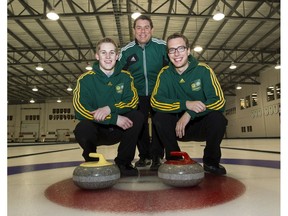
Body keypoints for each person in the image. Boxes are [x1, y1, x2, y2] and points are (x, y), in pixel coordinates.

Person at [150, 33, 228, 175]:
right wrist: (186, 104)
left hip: (199, 126)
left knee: (218, 118)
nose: (176, 54)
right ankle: (175, 157)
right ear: (168, 54)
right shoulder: (165, 73)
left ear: (188, 50)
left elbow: (219, 101)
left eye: (180, 48)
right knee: (159, 117)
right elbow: (155, 101)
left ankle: (211, 161)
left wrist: (190, 113)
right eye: (172, 50)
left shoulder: (203, 70)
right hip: (177, 129)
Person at [73, 37, 144, 177]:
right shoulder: (85, 79)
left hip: (120, 129)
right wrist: (113, 118)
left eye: (112, 53)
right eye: (104, 52)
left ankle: (124, 163)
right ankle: (92, 160)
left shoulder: (126, 77)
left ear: (117, 56)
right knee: (82, 128)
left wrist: (109, 108)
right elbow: (80, 109)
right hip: (97, 128)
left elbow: (133, 101)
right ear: (97, 56)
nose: (108, 56)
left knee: (137, 116)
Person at [118, 15, 169, 170]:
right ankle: (144, 156)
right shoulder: (126, 51)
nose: (142, 31)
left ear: (152, 29)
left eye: (146, 27)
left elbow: (178, 62)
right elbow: (116, 72)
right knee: (139, 124)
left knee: (159, 122)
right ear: (133, 30)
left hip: (158, 93)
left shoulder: (162, 46)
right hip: (137, 94)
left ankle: (157, 157)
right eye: (139, 27)